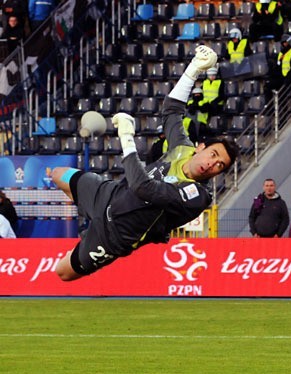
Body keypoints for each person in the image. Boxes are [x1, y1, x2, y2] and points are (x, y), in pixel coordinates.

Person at [50, 45, 239, 281]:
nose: (213, 164)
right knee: (57, 174)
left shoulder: (197, 195)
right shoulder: (182, 147)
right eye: (213, 154)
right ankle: (86, 213)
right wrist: (193, 69)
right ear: (201, 147)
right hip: (108, 194)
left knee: (63, 273)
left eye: (220, 165)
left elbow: (143, 188)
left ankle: (87, 236)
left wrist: (127, 138)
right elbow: (171, 111)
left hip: (115, 235)